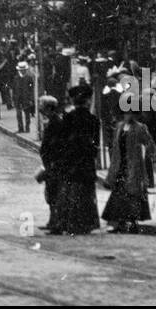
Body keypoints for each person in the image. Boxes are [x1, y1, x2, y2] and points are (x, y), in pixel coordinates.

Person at [102, 106, 156, 234]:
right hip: (119, 166)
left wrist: (155, 160)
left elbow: (150, 144)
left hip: (134, 166)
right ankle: (119, 222)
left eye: (131, 113)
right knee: (119, 194)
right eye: (126, 113)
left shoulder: (140, 128)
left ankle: (132, 223)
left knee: (132, 194)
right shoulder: (119, 127)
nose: (128, 115)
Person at [56, 85, 99, 234]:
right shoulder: (93, 120)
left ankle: (71, 223)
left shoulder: (67, 118)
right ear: (87, 101)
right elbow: (95, 145)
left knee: (71, 193)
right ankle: (87, 223)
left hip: (71, 162)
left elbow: (62, 141)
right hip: (86, 163)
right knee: (86, 193)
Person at [35, 95, 67, 233]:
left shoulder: (56, 122)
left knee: (54, 194)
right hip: (51, 163)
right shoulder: (52, 121)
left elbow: (56, 145)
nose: (40, 109)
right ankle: (52, 221)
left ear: (49, 108)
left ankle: (57, 224)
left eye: (42, 106)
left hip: (55, 164)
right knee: (50, 193)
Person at [14, 60, 35, 133]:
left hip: (26, 98)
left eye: (24, 70)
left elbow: (31, 89)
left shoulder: (29, 78)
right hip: (18, 98)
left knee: (27, 114)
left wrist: (31, 99)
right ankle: (20, 128)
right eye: (21, 70)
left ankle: (27, 128)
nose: (23, 71)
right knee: (18, 114)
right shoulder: (16, 78)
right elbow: (14, 88)